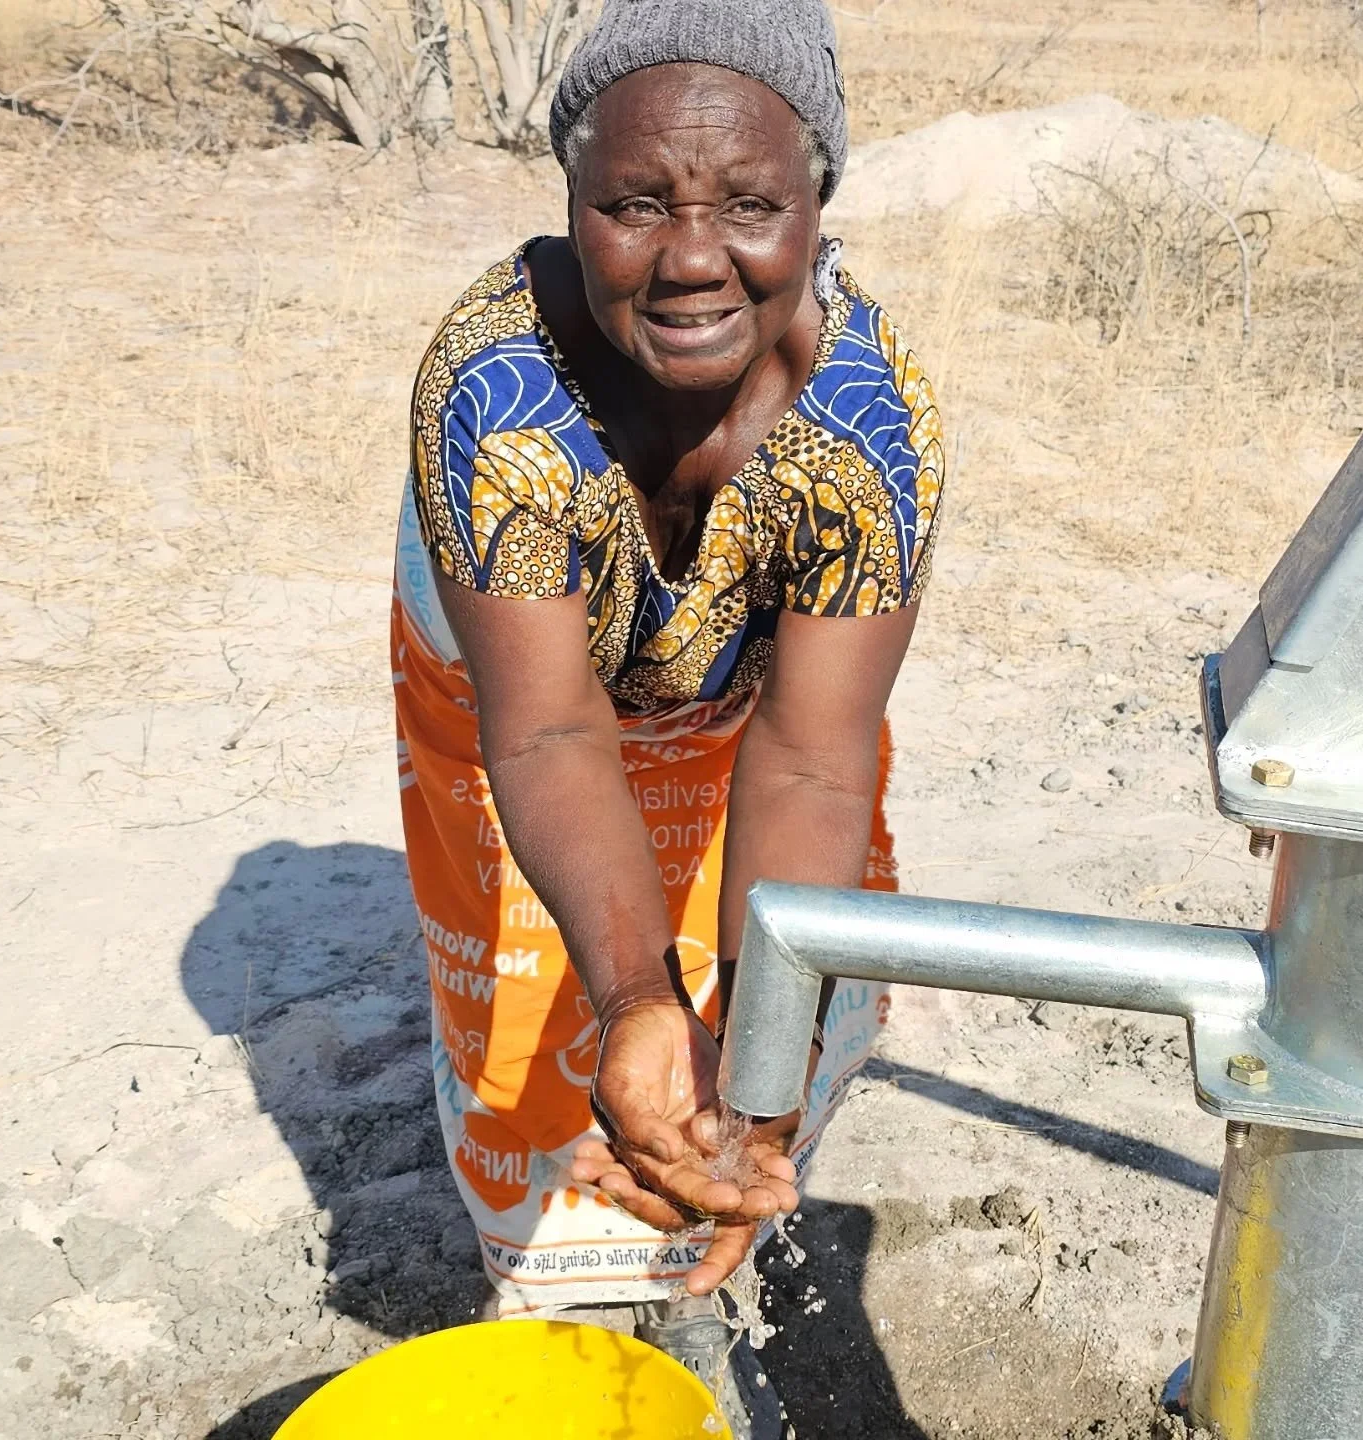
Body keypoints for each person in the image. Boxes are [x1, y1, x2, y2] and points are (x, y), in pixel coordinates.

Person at [390, 0, 943, 1426]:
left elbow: (810, 761)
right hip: (518, 674)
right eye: (635, 204)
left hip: (748, 683)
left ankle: (710, 1202)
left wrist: (756, 1076)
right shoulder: (496, 394)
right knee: (534, 990)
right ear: (571, 202)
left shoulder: (869, 425)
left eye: (750, 205)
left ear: (818, 201)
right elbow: (548, 736)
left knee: (776, 991)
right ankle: (555, 1296)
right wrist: (636, 1002)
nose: (694, 258)